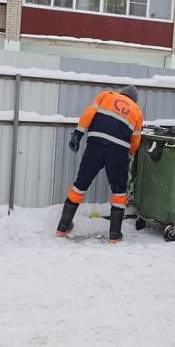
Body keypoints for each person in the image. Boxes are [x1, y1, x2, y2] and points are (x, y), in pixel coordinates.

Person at [56, 85, 143, 243]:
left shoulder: (106, 96)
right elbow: (136, 140)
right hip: (118, 151)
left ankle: (63, 227)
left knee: (80, 184)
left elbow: (88, 115)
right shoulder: (137, 111)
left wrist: (77, 135)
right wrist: (128, 155)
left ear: (121, 93)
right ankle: (115, 235)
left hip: (95, 145)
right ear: (134, 100)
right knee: (119, 192)